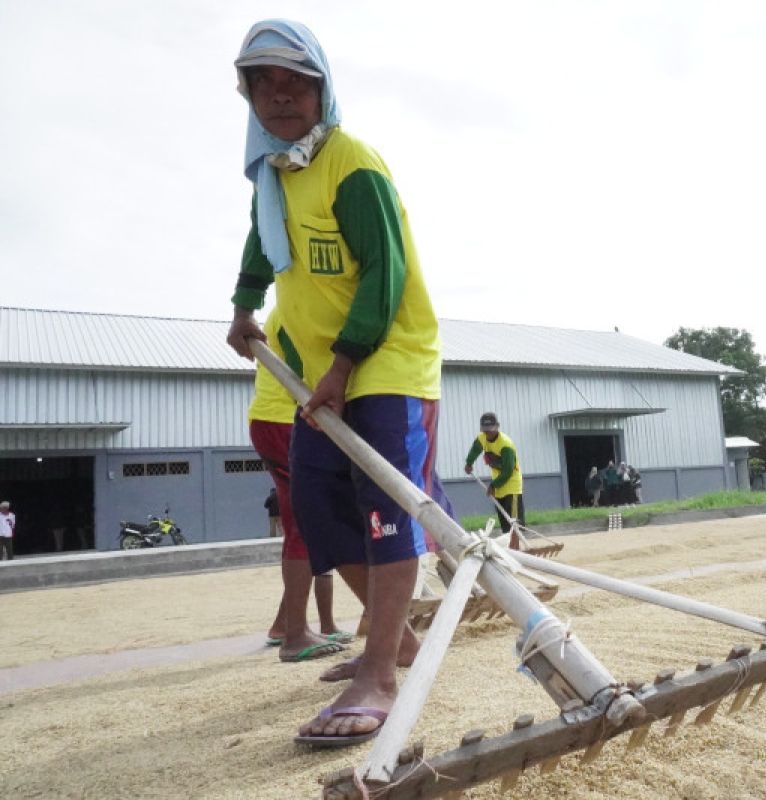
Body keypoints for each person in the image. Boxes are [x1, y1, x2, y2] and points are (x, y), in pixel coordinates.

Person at [225, 19, 454, 746]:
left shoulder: (349, 162)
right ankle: (400, 642)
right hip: (319, 367)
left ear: (323, 89)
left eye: (296, 82)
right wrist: (242, 307)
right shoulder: (277, 172)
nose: (281, 96)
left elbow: (384, 273)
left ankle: (381, 672)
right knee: (322, 508)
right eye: (265, 83)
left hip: (384, 356)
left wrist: (346, 365)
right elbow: (263, 241)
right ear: (249, 95)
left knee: (384, 505)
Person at [249, 311, 352, 663]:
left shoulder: (287, 312)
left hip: (276, 421)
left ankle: (287, 625)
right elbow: (308, 372)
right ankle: (294, 633)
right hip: (282, 422)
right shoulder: (292, 313)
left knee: (302, 524)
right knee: (308, 525)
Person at [464, 412, 524, 549]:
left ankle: (516, 550)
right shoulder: (482, 438)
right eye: (485, 431)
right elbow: (475, 450)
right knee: (504, 521)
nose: (488, 434)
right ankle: (510, 550)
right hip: (498, 484)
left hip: (511, 484)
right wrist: (469, 463)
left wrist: (493, 485)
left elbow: (508, 471)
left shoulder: (505, 445)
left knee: (514, 521)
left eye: (490, 430)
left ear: (497, 427)